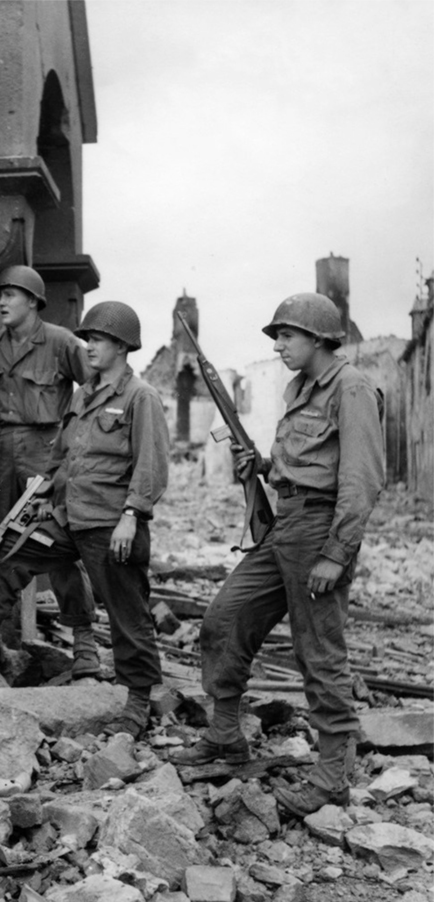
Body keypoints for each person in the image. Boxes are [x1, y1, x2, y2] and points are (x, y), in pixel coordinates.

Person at [175, 292, 385, 817]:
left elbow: (361, 479)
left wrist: (337, 553)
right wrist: (264, 467)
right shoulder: (300, 389)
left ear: (318, 338)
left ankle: (331, 778)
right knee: (224, 619)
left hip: (319, 531)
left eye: (287, 336)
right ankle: (225, 734)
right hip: (284, 524)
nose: (279, 346)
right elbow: (305, 464)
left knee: (318, 651)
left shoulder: (352, 387)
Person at [0, 301, 170, 737]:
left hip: (110, 525)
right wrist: (46, 487)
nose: (90, 347)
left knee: (127, 614)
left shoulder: (141, 397)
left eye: (98, 340)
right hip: (67, 518)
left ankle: (137, 702)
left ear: (122, 347)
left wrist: (132, 516)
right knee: (9, 550)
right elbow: (65, 453)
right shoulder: (83, 396)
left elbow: (151, 467)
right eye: (88, 339)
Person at [0, 264, 98, 678]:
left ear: (33, 301)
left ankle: (85, 645)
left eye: (10, 295)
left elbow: (95, 389)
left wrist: (74, 441)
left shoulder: (61, 342)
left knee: (56, 545)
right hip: (1, 451)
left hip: (47, 451)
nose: (1, 302)